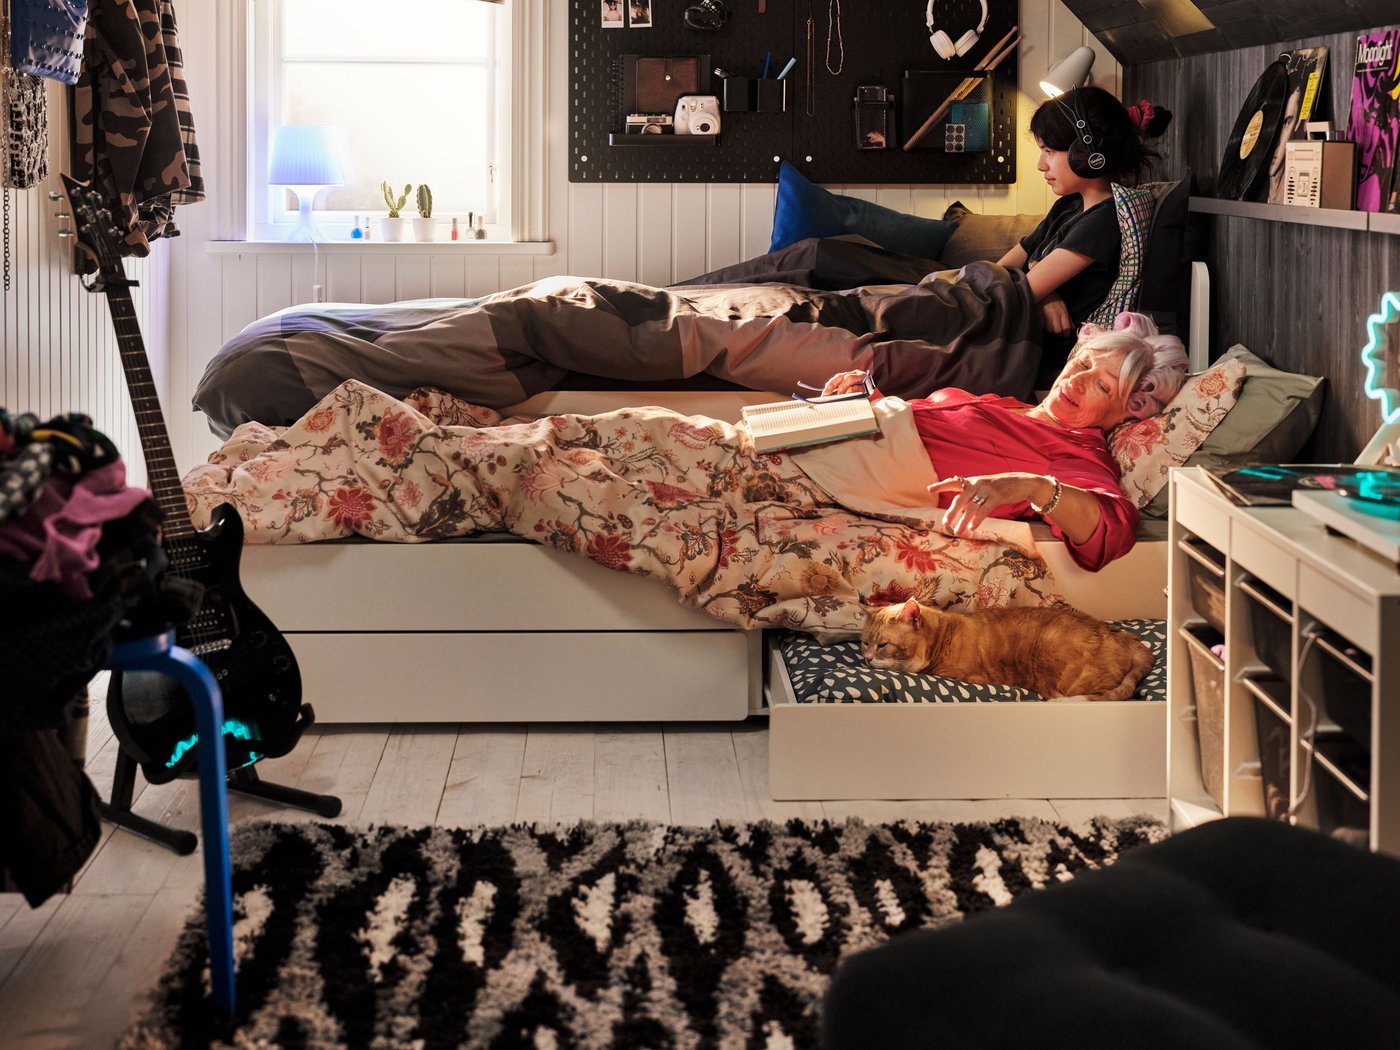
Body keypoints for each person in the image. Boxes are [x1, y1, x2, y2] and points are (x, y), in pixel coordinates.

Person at [820, 311, 1188, 571]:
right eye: (1084, 364)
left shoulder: (1073, 453)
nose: (1076, 381)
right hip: (850, 434)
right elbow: (936, 433)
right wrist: (871, 397)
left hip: (863, 472)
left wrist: (1031, 487)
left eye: (1102, 386)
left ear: (1126, 411)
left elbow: (1113, 529)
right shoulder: (1014, 407)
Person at [996, 88, 1171, 369]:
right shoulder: (1068, 206)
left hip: (1036, 357)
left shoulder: (1104, 222)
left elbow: (1011, 294)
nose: (1041, 165)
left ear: (1089, 153)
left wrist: (1036, 290)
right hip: (1019, 332)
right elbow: (1003, 269)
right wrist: (1044, 296)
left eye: (1049, 152)